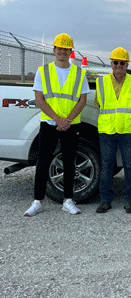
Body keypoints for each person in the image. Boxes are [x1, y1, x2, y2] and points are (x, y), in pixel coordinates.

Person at [24, 33, 89, 216]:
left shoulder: (79, 73)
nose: (62, 51)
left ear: (70, 51)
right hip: (49, 123)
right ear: (54, 50)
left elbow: (82, 100)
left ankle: (68, 200)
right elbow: (40, 99)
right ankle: (37, 201)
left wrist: (66, 121)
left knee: (69, 162)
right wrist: (58, 119)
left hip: (71, 124)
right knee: (43, 161)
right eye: (59, 48)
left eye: (66, 49)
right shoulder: (43, 71)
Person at [95, 47, 131, 213]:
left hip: (128, 129)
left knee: (130, 166)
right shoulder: (101, 82)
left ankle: (129, 201)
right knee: (106, 166)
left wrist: (129, 117)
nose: (119, 65)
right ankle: (105, 200)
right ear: (111, 63)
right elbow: (99, 104)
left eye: (122, 63)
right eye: (116, 62)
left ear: (127, 65)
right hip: (107, 129)